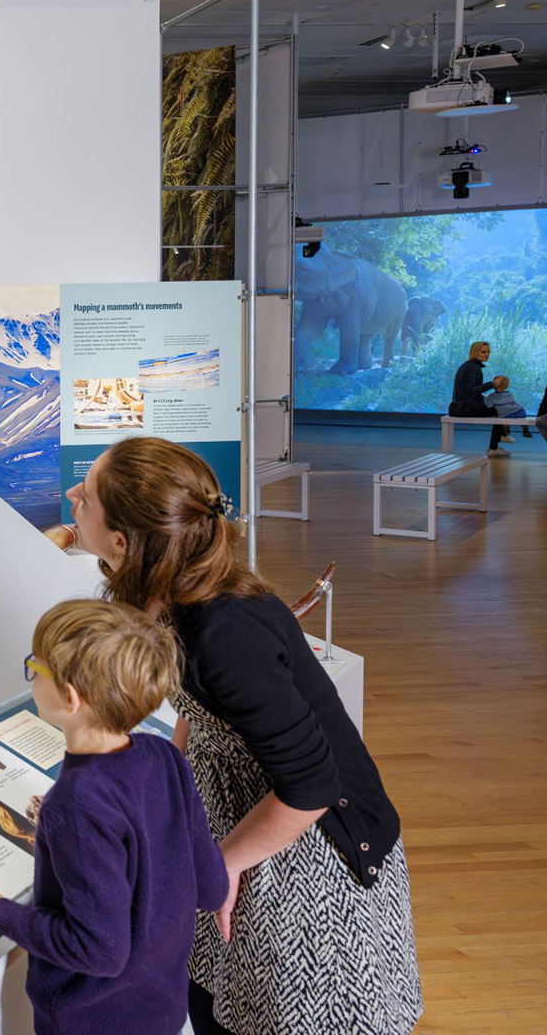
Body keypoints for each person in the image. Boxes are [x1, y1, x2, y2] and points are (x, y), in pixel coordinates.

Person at [66, 437, 421, 1035]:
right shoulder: (175, 595)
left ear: (125, 542)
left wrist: (223, 864)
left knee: (276, 1018)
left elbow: (311, 785)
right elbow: (203, 707)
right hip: (234, 823)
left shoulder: (226, 632)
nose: (73, 494)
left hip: (304, 858)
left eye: (89, 493)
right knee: (214, 1004)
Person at [0, 599, 228, 1035]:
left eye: (36, 666)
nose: (32, 673)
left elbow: (99, 949)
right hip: (162, 1008)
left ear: (70, 697)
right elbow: (212, 887)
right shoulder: (165, 756)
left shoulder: (76, 802)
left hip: (89, 1022)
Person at [449, 340, 507, 457]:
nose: (487, 355)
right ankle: (498, 441)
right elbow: (472, 390)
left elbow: (470, 392)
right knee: (501, 409)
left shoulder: (468, 365)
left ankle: (499, 439)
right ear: (475, 353)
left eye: (488, 352)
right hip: (464, 408)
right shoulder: (474, 368)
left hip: (458, 407)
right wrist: (492, 384)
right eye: (483, 352)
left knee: (496, 406)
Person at [487, 375, 533, 442]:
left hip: (505, 415)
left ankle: (506, 433)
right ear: (506, 386)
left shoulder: (492, 396)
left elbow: (488, 405)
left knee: (504, 420)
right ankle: (525, 430)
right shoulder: (509, 393)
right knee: (522, 416)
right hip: (518, 411)